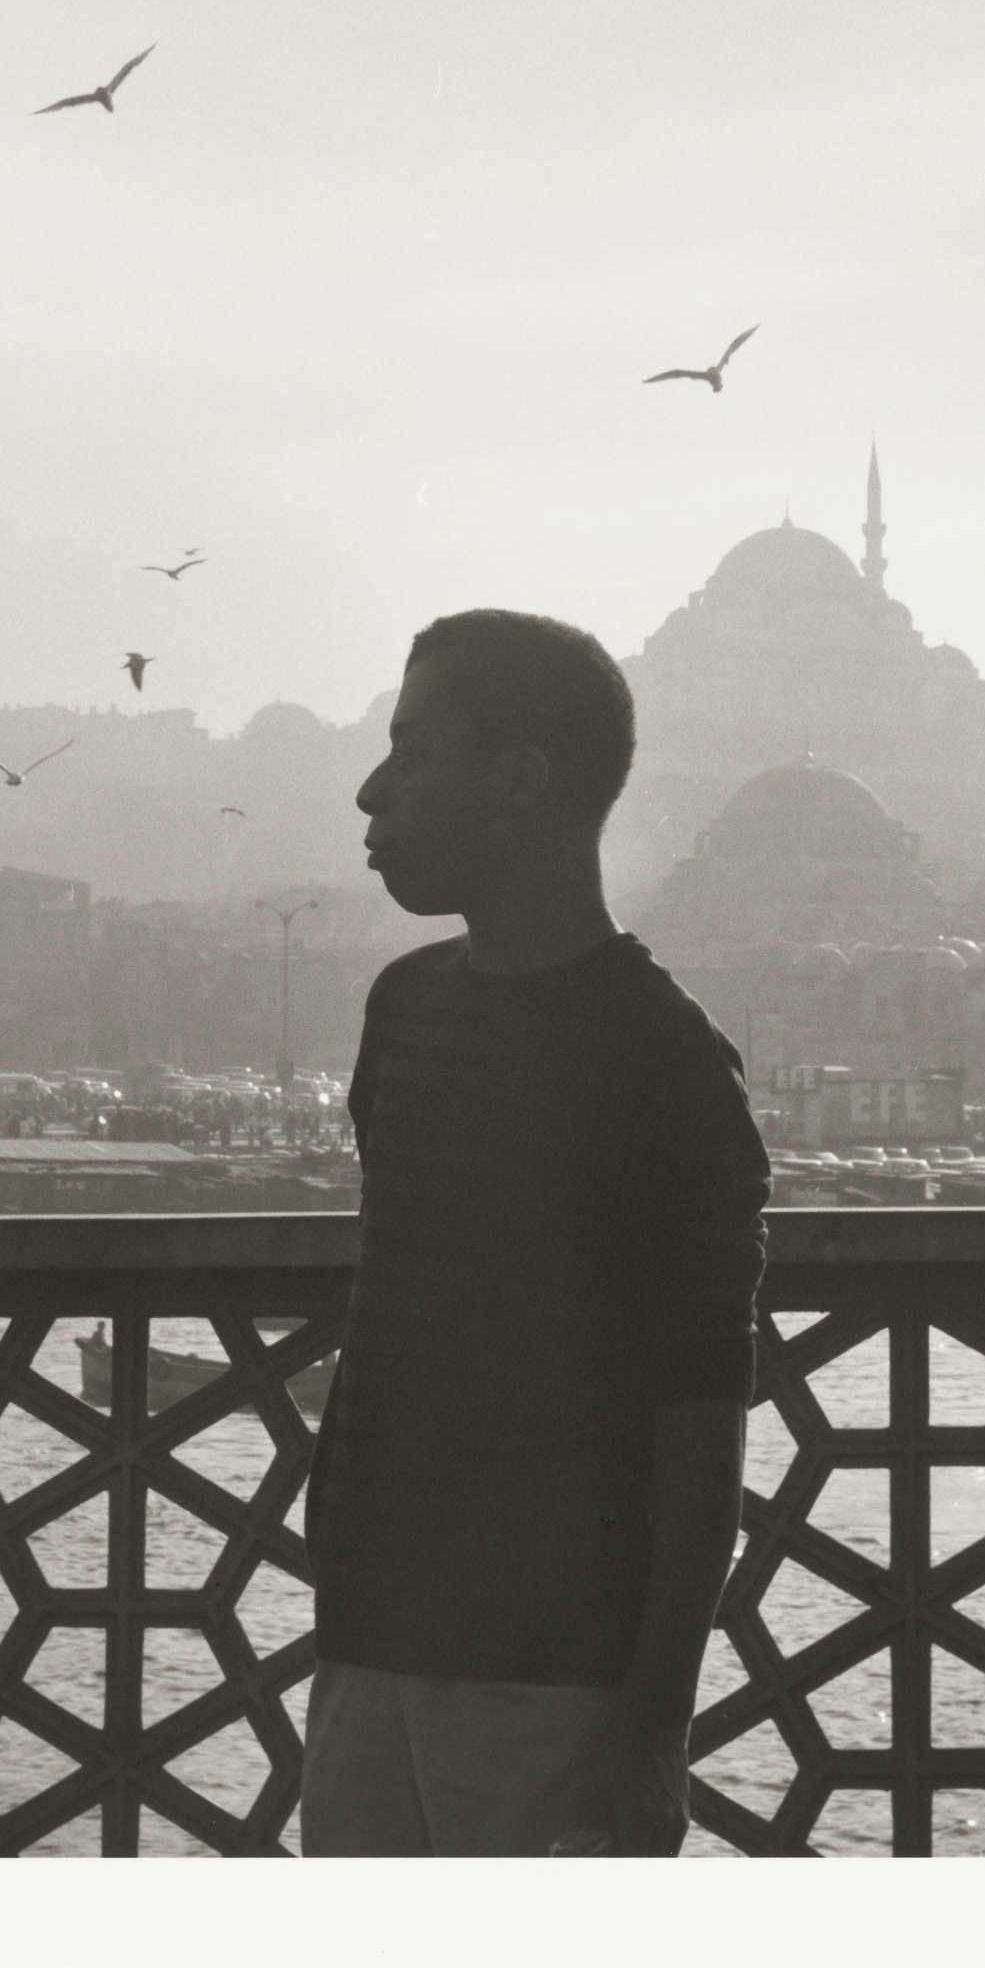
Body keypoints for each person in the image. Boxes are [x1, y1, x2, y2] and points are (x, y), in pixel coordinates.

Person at [301, 608, 770, 1858]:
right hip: (371, 1638)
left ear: (519, 781)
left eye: (411, 753)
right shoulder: (405, 1012)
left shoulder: (660, 1063)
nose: (372, 792)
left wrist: (653, 1730)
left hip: (547, 1682)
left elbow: (698, 1421)